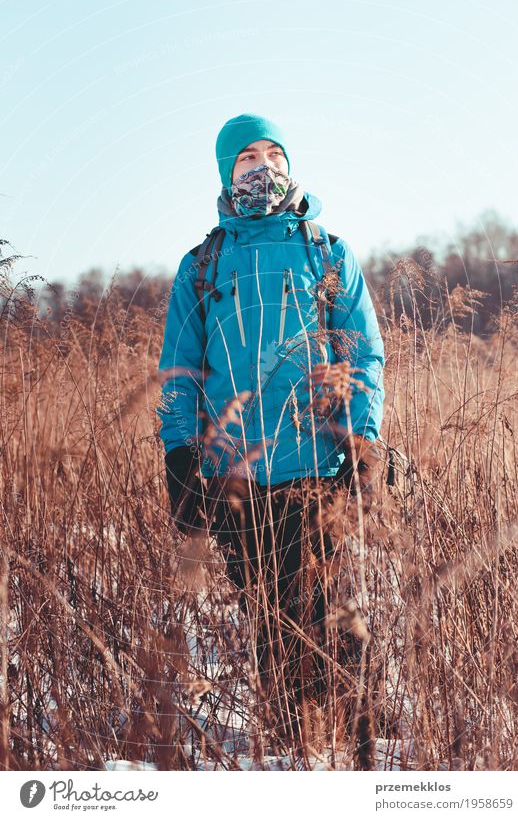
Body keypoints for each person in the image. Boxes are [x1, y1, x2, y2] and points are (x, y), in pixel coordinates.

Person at [157, 113, 385, 746]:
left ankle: (354, 743)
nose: (263, 166)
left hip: (318, 467)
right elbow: (179, 369)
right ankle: (292, 750)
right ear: (227, 173)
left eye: (272, 154)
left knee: (331, 614)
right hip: (237, 478)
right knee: (270, 621)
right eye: (246, 158)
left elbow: (363, 353)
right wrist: (179, 455)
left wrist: (363, 439)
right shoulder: (202, 263)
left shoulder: (327, 251)